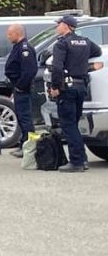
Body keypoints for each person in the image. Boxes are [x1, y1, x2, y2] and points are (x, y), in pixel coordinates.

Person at [49, 15, 102, 172]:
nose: (57, 26)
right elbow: (97, 51)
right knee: (74, 124)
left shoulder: (61, 44)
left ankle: (77, 162)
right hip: (81, 87)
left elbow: (57, 68)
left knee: (68, 125)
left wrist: (55, 87)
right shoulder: (85, 41)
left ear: (66, 26)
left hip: (67, 88)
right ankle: (82, 159)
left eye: (58, 24)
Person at [5, 24, 39, 158]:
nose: (8, 36)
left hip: (22, 89)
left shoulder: (25, 48)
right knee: (21, 117)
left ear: (17, 33)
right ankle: (24, 144)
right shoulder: (17, 47)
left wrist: (20, 86)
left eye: (10, 34)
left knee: (26, 119)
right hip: (18, 88)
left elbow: (29, 70)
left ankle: (31, 146)